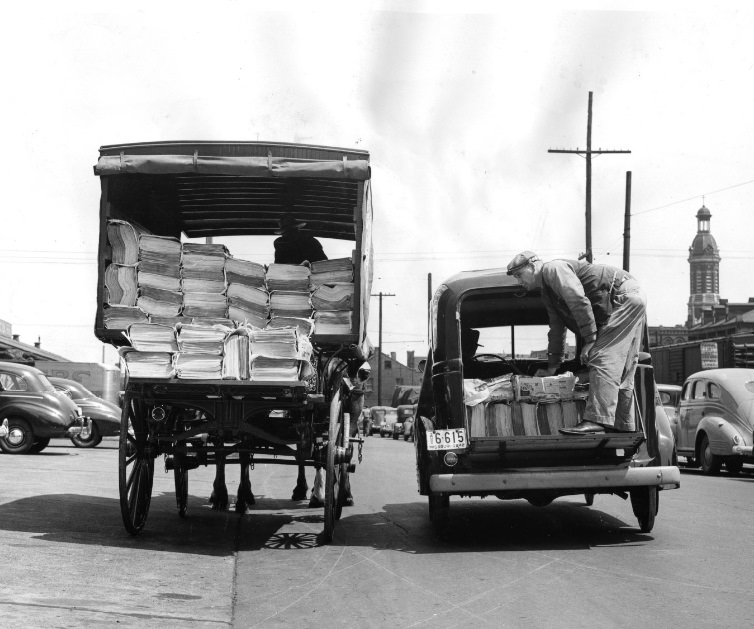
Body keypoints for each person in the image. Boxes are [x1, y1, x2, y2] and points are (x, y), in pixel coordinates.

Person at [506, 251, 647, 435]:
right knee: (622, 367)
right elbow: (557, 329)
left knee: (602, 357)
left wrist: (590, 340)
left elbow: (578, 300)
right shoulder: (547, 292)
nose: (519, 281)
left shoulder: (553, 269)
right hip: (630, 297)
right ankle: (623, 425)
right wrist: (552, 367)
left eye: (519, 275)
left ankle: (596, 421)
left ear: (533, 266)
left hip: (623, 296)